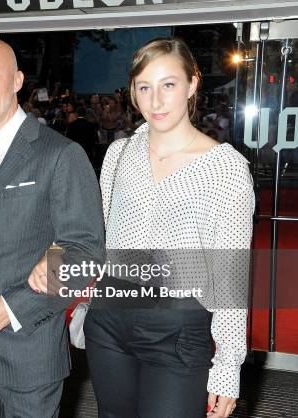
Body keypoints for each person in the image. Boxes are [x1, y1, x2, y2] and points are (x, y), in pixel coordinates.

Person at [33, 38, 253, 418]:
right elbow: (91, 234)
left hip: (178, 325)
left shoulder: (225, 169)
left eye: (168, 84)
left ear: (192, 84)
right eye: (144, 87)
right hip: (110, 319)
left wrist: (228, 368)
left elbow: (230, 277)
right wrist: (52, 265)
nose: (156, 100)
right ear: (132, 92)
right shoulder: (119, 155)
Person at [0, 36, 105, 418]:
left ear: (18, 80)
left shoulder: (60, 154)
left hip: (27, 352)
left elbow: (85, 250)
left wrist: (13, 306)